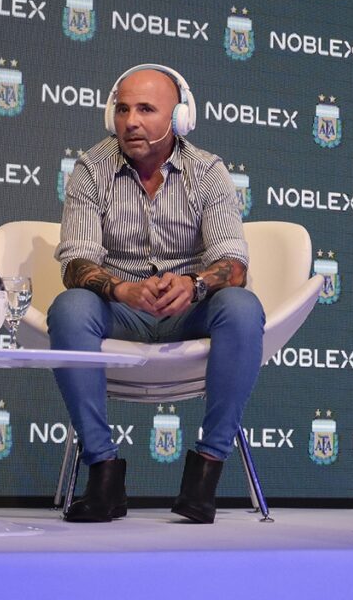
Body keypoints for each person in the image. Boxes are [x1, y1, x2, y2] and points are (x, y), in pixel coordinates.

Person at [47, 63, 265, 523]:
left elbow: (234, 264)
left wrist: (195, 284)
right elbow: (76, 263)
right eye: (123, 109)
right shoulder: (90, 169)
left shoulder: (208, 172)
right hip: (121, 310)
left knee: (241, 307)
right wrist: (121, 288)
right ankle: (103, 475)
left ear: (179, 117)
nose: (131, 122)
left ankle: (205, 475)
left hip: (191, 311)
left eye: (146, 109)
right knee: (70, 307)